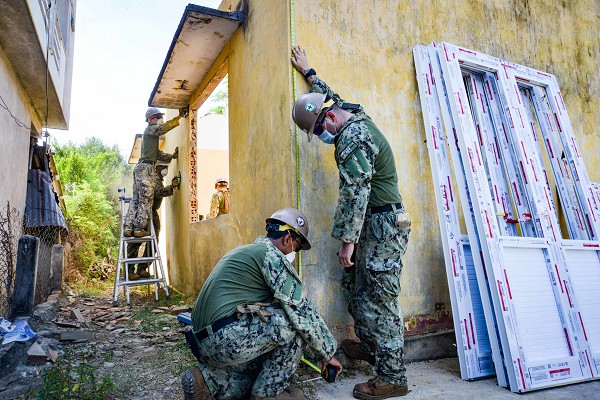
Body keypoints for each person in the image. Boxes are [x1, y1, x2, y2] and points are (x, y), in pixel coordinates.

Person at [291, 45, 411, 400]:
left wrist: (347, 243)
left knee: (380, 300)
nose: (323, 139)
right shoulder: (350, 114)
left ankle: (392, 377)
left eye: (319, 131)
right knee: (356, 294)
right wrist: (310, 73)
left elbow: (355, 193)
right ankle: (374, 349)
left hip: (382, 225)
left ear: (328, 120)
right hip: (374, 225)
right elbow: (331, 98)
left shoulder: (351, 140)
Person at [181, 208, 342, 400]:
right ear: (287, 239)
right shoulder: (270, 256)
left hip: (204, 342)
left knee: (261, 369)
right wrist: (327, 353)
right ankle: (267, 395)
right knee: (294, 324)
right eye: (297, 248)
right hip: (223, 340)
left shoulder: (248, 252)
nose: (295, 253)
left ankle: (208, 382)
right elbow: (301, 311)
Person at [123, 106, 185, 238]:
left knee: (137, 199)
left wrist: (171, 156)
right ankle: (139, 228)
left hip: (141, 167)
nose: (160, 119)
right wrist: (178, 117)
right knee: (146, 198)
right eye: (157, 117)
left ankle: (128, 227)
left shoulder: (150, 135)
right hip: (146, 168)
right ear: (150, 119)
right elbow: (164, 128)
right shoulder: (151, 130)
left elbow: (156, 153)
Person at [126, 160, 181, 280]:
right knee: (136, 242)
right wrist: (171, 187)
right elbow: (156, 193)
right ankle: (130, 271)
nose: (165, 168)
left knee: (153, 242)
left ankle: (141, 268)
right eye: (163, 166)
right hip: (145, 212)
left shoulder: (158, 178)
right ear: (157, 167)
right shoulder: (154, 177)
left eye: (166, 166)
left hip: (151, 212)